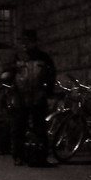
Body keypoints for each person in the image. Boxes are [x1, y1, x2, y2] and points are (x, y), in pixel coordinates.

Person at [9, 29, 56, 167]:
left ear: (34, 43)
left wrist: (48, 92)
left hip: (38, 95)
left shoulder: (44, 58)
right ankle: (18, 155)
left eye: (27, 42)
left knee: (40, 127)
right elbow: (12, 74)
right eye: (22, 42)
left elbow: (51, 75)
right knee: (18, 128)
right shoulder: (17, 57)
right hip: (20, 96)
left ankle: (41, 156)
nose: (24, 45)